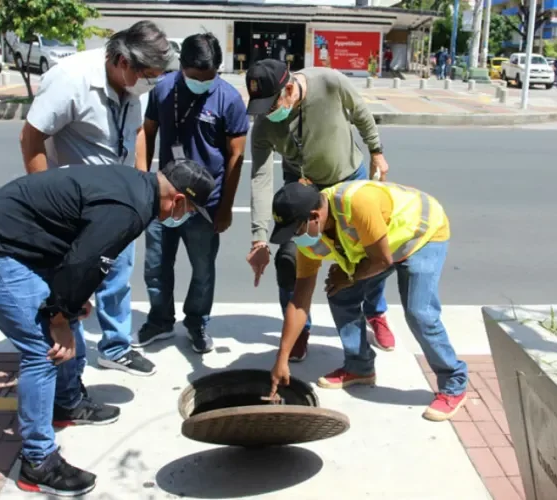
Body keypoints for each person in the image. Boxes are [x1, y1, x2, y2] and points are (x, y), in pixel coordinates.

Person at [0, 160, 215, 496]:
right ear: (177, 200)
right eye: (191, 209)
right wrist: (59, 315)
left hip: (13, 246)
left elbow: (82, 249)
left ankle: (66, 402)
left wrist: (70, 303)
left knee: (67, 314)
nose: (186, 216)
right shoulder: (130, 209)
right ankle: (38, 462)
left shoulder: (136, 186)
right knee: (45, 349)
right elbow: (83, 261)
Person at [19, 21, 176, 377]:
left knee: (118, 275)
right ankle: (66, 370)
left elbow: (137, 132)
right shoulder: (70, 80)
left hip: (120, 200)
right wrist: (46, 204)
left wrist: (142, 185)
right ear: (122, 61)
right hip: (75, 205)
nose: (151, 82)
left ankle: (115, 347)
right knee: (72, 282)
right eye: (147, 74)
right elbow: (31, 139)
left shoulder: (135, 83)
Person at [266, 179, 470, 422]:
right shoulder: (310, 240)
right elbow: (300, 302)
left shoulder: (358, 204)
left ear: (314, 216)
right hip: (380, 247)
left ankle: (454, 383)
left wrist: (349, 275)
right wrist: (282, 358)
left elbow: (381, 261)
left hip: (421, 235)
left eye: (296, 231)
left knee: (419, 313)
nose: (296, 238)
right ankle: (359, 366)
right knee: (339, 294)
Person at [244, 59, 395, 364]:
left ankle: (375, 312)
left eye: (271, 106)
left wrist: (377, 152)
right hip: (301, 190)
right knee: (289, 260)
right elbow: (261, 179)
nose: (267, 115)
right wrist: (259, 238)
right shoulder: (263, 126)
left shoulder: (328, 82)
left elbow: (361, 114)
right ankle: (299, 329)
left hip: (348, 179)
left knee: (367, 254)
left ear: (288, 89)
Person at [133, 32, 248, 353]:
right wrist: (144, 182)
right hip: (163, 198)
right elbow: (147, 132)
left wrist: (225, 208)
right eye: (197, 77)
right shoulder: (164, 89)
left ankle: (197, 322)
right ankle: (160, 320)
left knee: (202, 269)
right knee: (156, 265)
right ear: (181, 66)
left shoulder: (228, 99)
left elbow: (236, 157)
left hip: (204, 205)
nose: (203, 83)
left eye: (210, 77)